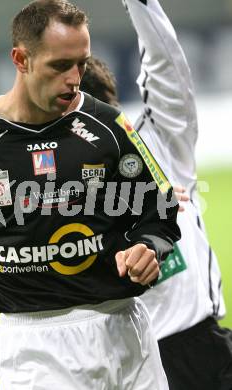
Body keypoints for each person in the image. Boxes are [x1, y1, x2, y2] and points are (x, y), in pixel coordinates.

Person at [0, 1, 180, 388]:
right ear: (21, 58)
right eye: (60, 66)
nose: (75, 78)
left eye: (81, 63)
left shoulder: (111, 126)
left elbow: (160, 206)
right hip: (35, 344)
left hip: (126, 330)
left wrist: (150, 245)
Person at [80, 0, 232, 389]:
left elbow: (166, 66)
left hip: (184, 352)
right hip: (135, 362)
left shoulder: (157, 138)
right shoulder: (51, 178)